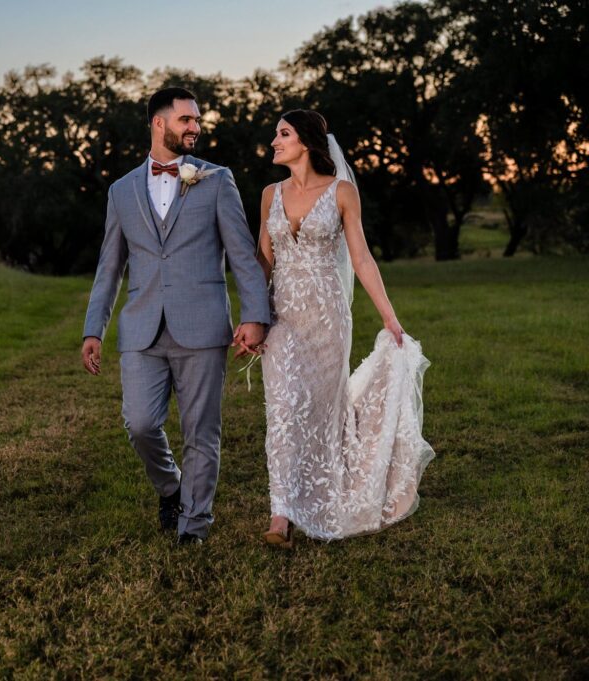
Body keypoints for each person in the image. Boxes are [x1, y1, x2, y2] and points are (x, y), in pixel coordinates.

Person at [81, 87, 270, 545]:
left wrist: (255, 315)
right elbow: (110, 265)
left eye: (197, 120)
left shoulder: (217, 179)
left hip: (203, 325)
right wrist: (94, 328)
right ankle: (171, 487)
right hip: (141, 329)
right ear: (158, 123)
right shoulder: (121, 190)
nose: (195, 127)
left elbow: (243, 255)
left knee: (201, 431)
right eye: (186, 119)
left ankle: (194, 525)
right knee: (141, 424)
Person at [253, 109, 435, 546]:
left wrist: (389, 317)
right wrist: (253, 319)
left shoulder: (341, 192)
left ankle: (327, 490)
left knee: (320, 409)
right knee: (281, 409)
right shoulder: (268, 194)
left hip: (327, 318)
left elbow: (361, 258)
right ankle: (280, 513)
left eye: (283, 133)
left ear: (308, 142)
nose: (274, 141)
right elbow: (262, 263)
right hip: (282, 319)